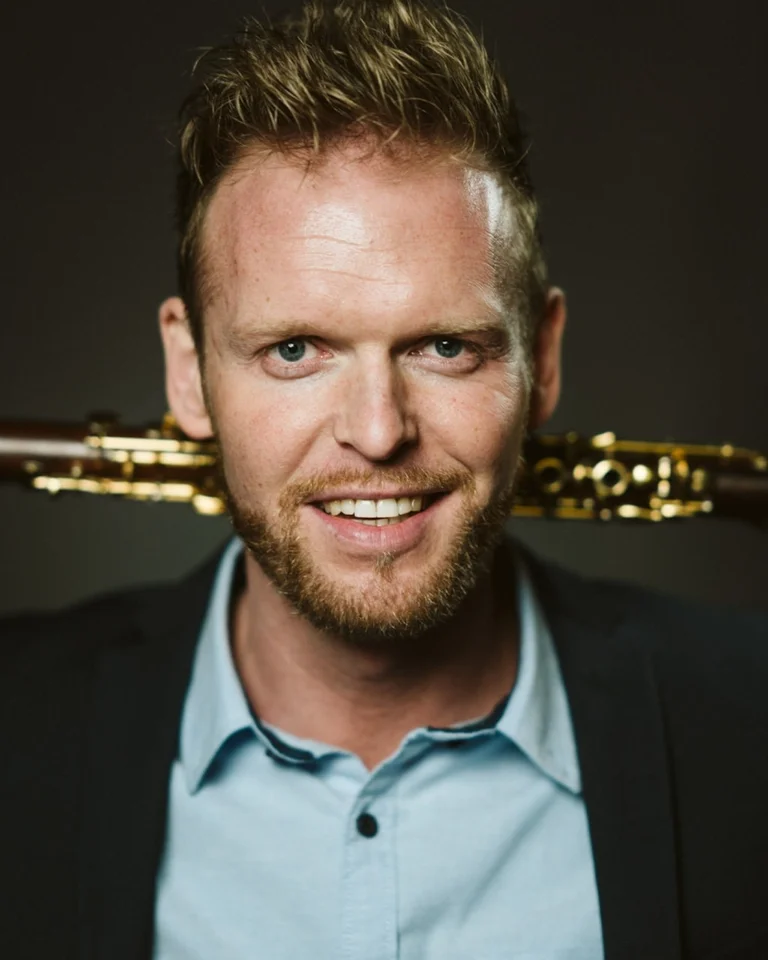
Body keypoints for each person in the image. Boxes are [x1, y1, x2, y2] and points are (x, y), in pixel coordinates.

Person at [1, 1, 767, 958]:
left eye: (447, 346)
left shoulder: (749, 725)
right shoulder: (16, 726)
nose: (377, 433)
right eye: (294, 350)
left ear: (545, 359)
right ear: (188, 372)